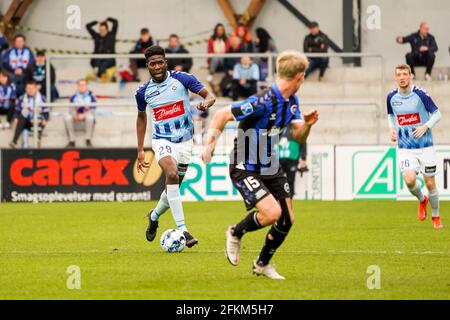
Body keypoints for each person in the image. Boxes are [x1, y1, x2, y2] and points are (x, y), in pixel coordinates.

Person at [201, 50, 319, 279]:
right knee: (273, 213)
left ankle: (262, 264)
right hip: (244, 165)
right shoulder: (262, 101)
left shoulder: (291, 100)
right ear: (299, 77)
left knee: (287, 219)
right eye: (303, 77)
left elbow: (299, 136)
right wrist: (209, 147)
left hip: (270, 165)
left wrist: (308, 124)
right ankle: (235, 232)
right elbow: (221, 115)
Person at [136, 45, 216, 248]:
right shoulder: (143, 92)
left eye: (160, 62)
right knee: (171, 174)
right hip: (162, 140)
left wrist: (206, 103)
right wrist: (139, 150)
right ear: (147, 66)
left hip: (185, 141)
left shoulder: (182, 78)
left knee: (174, 187)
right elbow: (141, 118)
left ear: (165, 62)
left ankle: (153, 216)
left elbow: (210, 95)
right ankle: (183, 229)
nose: (157, 66)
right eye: (152, 64)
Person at [387, 64, 443, 229]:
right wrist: (391, 129)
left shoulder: (420, 94)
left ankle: (436, 216)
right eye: (399, 74)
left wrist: (425, 126)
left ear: (410, 76)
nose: (402, 77)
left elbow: (437, 114)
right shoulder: (391, 97)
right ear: (396, 77)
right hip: (405, 147)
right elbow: (391, 115)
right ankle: (422, 199)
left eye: (405, 74)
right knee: (410, 180)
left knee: (430, 183)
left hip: (425, 146)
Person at [9, 80, 49, 149]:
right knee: (21, 116)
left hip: (37, 120)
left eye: (32, 88)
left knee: (42, 119)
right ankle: (14, 141)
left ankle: (38, 136)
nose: (30, 90)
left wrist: (45, 119)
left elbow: (46, 112)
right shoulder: (22, 98)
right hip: (26, 121)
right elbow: (17, 109)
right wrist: (15, 117)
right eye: (28, 88)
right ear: (25, 89)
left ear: (36, 88)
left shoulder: (42, 98)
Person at [64, 79, 97, 148]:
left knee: (90, 117)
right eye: (80, 85)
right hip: (76, 115)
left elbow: (93, 109)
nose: (81, 86)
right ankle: (72, 140)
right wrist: (74, 115)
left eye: (83, 85)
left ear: (87, 86)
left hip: (87, 114)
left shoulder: (91, 96)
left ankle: (88, 139)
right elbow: (71, 108)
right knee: (67, 117)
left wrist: (83, 115)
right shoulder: (73, 97)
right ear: (77, 86)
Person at [278, 129, 301, 198]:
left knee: (290, 179)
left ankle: (291, 196)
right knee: (278, 180)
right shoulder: (277, 128)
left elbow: (302, 142)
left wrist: (303, 157)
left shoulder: (295, 129)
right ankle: (280, 196)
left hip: (292, 160)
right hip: (279, 159)